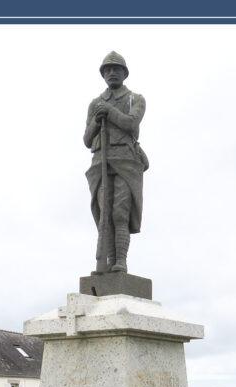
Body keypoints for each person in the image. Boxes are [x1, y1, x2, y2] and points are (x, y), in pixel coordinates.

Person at [84, 51, 148, 274]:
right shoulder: (95, 104)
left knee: (120, 213)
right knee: (104, 215)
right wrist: (96, 120)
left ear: (124, 73)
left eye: (116, 69)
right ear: (103, 74)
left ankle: (120, 261)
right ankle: (108, 261)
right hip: (100, 162)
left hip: (125, 161)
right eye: (107, 69)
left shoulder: (135, 99)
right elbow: (86, 139)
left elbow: (131, 124)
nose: (111, 72)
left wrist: (109, 111)